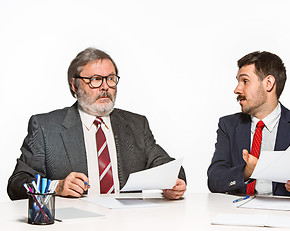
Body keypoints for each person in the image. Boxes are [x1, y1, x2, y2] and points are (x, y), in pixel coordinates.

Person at [8, 47, 186, 200]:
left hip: (128, 225)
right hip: (72, 229)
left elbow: (170, 168)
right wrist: (56, 187)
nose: (105, 87)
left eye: (110, 78)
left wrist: (172, 184)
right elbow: (17, 183)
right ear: (75, 85)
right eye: (95, 79)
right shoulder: (46, 128)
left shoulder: (136, 125)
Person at [207, 51, 290, 198]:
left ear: (268, 83)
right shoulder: (228, 126)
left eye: (245, 81)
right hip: (239, 213)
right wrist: (247, 172)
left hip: (289, 216)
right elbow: (214, 181)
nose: (237, 89)